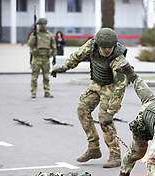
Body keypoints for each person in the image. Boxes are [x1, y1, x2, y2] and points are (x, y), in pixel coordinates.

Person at [51, 28, 129, 168]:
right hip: (96, 83)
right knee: (82, 109)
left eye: (109, 47)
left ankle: (115, 155)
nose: (106, 50)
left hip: (110, 86)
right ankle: (93, 148)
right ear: (98, 45)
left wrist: (111, 112)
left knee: (104, 119)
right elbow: (77, 56)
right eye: (104, 47)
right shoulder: (91, 46)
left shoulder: (118, 58)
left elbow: (120, 86)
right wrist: (64, 67)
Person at [27, 18, 56, 98]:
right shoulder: (35, 34)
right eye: (41, 24)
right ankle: (33, 92)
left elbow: (53, 46)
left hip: (46, 58)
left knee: (46, 76)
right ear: (39, 25)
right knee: (34, 77)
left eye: (44, 24)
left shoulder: (49, 35)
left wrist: (54, 57)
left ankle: (47, 91)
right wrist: (34, 36)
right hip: (37, 58)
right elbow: (29, 44)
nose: (43, 26)